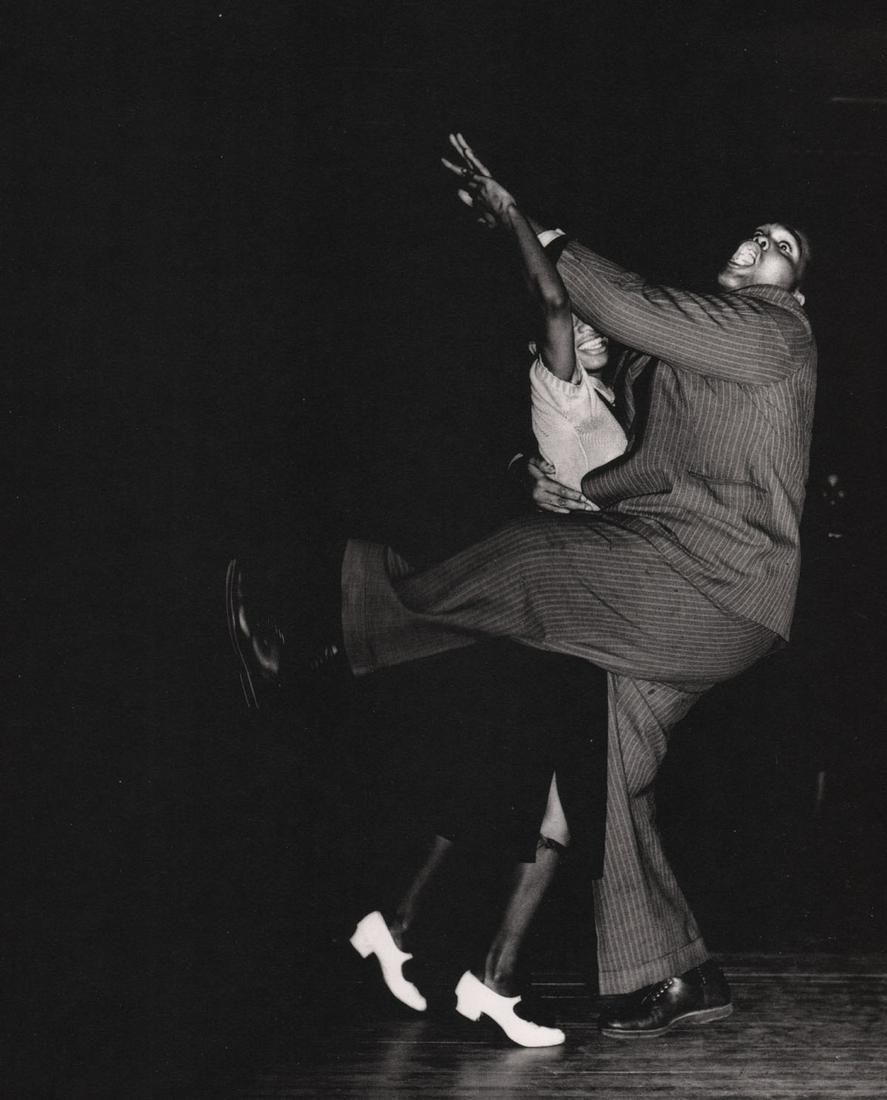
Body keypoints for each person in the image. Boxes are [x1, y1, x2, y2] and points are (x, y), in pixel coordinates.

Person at [228, 133, 816, 1039]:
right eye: (750, 236)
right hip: (686, 597)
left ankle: (313, 627)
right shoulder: (686, 365)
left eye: (778, 246)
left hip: (713, 582)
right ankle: (675, 972)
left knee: (535, 560)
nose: (755, 245)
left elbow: (622, 303)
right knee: (614, 777)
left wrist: (523, 222)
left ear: (796, 289)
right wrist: (552, 474)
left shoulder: (773, 335)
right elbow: (621, 427)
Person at [344, 181, 626, 1046]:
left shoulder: (611, 403)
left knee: (507, 797)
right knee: (552, 811)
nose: (579, 328)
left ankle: (407, 932)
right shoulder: (564, 385)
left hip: (563, 614)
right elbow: (547, 296)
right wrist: (513, 219)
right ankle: (488, 976)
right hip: (557, 618)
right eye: (569, 324)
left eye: (592, 322)